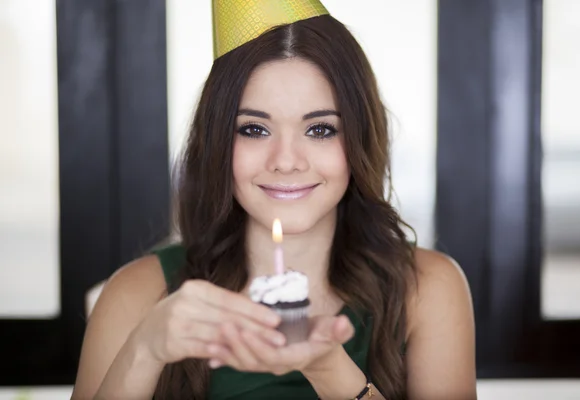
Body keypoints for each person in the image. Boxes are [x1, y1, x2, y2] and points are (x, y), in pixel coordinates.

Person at [72, 0, 476, 399]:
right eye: (254, 130)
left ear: (359, 139)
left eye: (320, 130)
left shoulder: (428, 290)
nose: (285, 161)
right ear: (217, 142)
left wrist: (330, 370)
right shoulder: (137, 295)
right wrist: (144, 351)